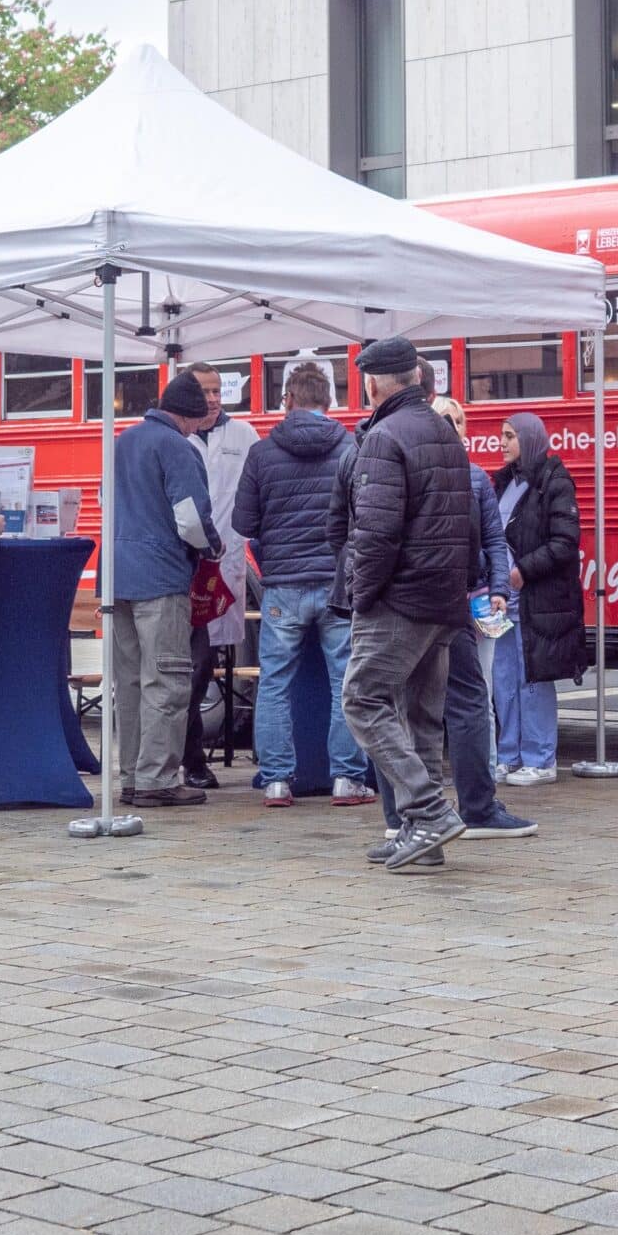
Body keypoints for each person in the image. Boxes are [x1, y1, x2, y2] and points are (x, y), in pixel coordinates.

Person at [332, 336, 476, 871]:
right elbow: (469, 523)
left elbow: (374, 532)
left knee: (363, 699)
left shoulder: (383, 436)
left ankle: (428, 810)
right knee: (421, 714)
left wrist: (361, 594)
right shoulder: (443, 431)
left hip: (399, 597)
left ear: (373, 382)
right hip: (443, 598)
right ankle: (424, 836)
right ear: (414, 377)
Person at [371, 387, 532, 843]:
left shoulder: (476, 478)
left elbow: (494, 540)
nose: (452, 428)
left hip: (456, 601)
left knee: (462, 700)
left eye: (458, 421)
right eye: (445, 420)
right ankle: (404, 814)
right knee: (403, 705)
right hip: (420, 603)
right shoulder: (415, 469)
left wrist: (498, 586)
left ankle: (470, 806)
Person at [232, 355, 374, 806]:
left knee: (274, 681)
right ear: (329, 401)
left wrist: (274, 550)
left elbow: (244, 521)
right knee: (344, 682)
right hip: (337, 583)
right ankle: (347, 779)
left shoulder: (261, 453)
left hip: (283, 585)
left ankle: (275, 779)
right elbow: (365, 516)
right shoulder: (351, 449)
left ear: (289, 400)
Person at [105, 373, 221, 808]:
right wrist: (211, 546)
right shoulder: (176, 445)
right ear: (187, 414)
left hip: (116, 576)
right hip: (159, 576)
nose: (197, 429)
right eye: (196, 420)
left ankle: (133, 776)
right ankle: (157, 778)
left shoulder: (123, 441)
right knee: (167, 679)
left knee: (130, 682)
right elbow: (190, 518)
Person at [493, 409, 582, 784]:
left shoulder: (553, 483)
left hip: (535, 600)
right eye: (501, 435)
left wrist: (522, 570)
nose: (502, 442)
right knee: (504, 681)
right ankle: (509, 754)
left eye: (510, 436)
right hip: (503, 602)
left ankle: (540, 759)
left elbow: (565, 542)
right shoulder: (503, 482)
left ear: (529, 439)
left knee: (532, 679)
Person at [184, 360, 258, 790]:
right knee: (188, 669)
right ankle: (191, 757)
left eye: (217, 391)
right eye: (204, 392)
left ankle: (193, 757)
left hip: (223, 571)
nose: (212, 399)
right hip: (183, 569)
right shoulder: (178, 437)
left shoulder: (244, 435)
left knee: (203, 665)